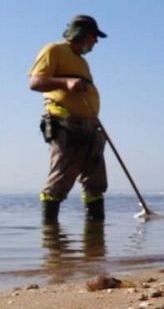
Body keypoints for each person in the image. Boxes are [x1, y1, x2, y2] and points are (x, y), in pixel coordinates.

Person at [29, 15, 108, 223]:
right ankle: (51, 238)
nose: (96, 42)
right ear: (81, 35)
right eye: (94, 37)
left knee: (96, 182)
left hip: (90, 127)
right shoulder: (53, 50)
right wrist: (66, 82)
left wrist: (93, 117)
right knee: (60, 180)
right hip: (65, 125)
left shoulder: (82, 62)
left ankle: (95, 244)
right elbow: (35, 82)